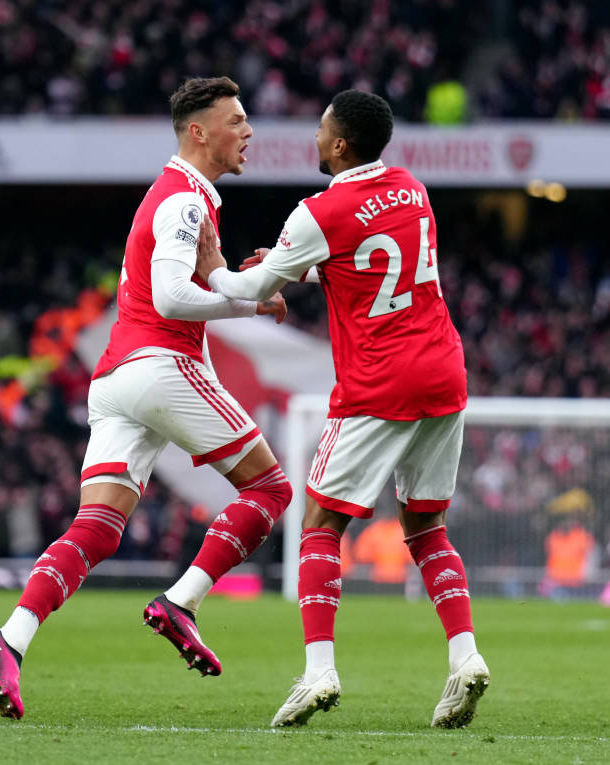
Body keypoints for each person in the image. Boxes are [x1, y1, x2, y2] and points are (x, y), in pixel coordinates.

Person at [0, 76, 292, 720]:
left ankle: (9, 641)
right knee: (271, 491)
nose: (248, 131)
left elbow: (212, 277)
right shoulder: (182, 201)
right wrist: (251, 301)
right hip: (160, 362)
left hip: (118, 379)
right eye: (236, 120)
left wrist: (258, 279)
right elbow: (173, 298)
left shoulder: (187, 196)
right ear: (199, 132)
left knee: (97, 528)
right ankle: (182, 601)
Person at [195, 89, 489, 729]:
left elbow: (253, 288)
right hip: (444, 370)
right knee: (426, 528)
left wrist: (214, 270)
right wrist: (286, 266)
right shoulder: (413, 189)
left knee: (320, 523)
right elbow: (364, 259)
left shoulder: (317, 212)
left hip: (380, 381)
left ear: (340, 145)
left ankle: (319, 670)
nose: (315, 137)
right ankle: (465, 658)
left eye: (321, 129)